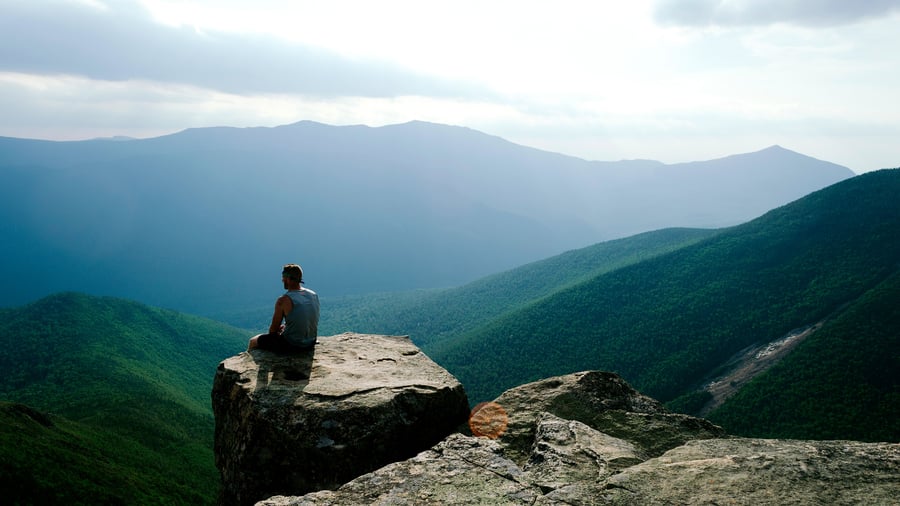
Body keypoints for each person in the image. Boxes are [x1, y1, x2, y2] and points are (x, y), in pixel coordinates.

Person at [248, 263, 320, 352]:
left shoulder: (283, 300)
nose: (282, 280)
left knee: (253, 341)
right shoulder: (313, 295)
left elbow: (273, 331)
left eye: (283, 277)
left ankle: (246, 363)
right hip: (311, 342)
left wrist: (278, 331)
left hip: (292, 345)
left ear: (288, 279)